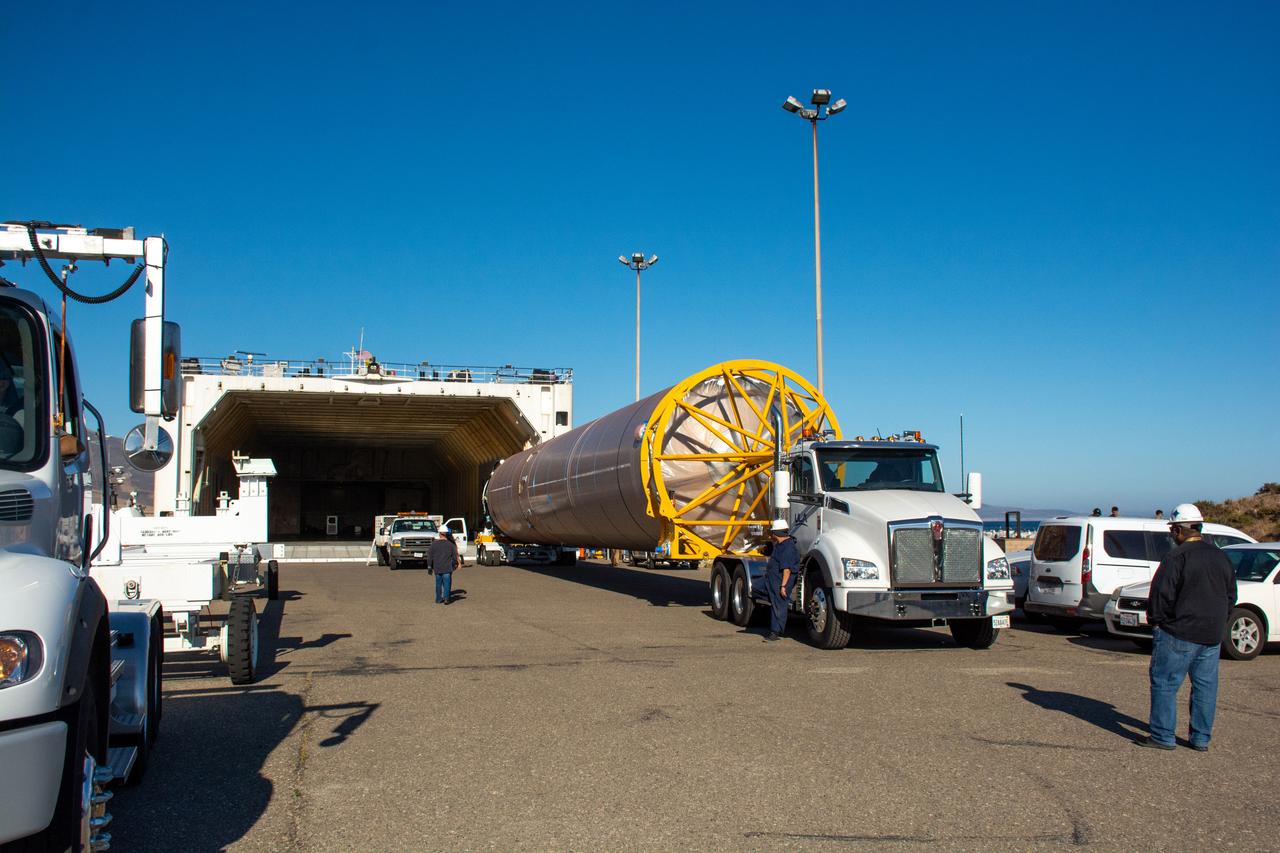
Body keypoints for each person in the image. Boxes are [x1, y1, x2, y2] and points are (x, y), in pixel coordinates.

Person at [1136, 503, 1236, 751]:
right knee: (1205, 687)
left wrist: (1157, 621)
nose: (1172, 535)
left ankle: (1162, 735)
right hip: (1211, 634)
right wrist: (1219, 620)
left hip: (1178, 631)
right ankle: (1201, 738)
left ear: (1179, 530)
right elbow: (1230, 595)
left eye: (1172, 530)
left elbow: (1161, 594)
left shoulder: (1176, 557)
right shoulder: (1220, 556)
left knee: (1165, 683)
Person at [764, 519, 799, 642]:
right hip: (773, 579)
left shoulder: (788, 548)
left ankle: (775, 631)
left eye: (772, 532)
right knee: (758, 590)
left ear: (776, 533)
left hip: (780, 581)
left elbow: (787, 570)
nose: (771, 535)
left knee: (779, 604)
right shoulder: (780, 545)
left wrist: (783, 586)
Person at [428, 526, 460, 605]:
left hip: (437, 568)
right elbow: (454, 557)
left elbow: (430, 556)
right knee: (447, 584)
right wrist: (454, 565)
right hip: (447, 568)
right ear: (446, 533)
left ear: (439, 533)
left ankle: (438, 599)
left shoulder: (433, 544)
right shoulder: (450, 544)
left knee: (438, 584)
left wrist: (429, 567)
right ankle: (446, 598)